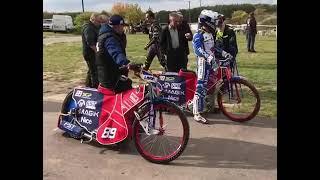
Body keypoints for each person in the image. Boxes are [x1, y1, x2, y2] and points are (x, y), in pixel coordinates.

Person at [192, 10, 233, 123]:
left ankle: (204, 107)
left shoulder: (210, 34)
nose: (215, 24)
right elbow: (198, 50)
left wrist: (224, 53)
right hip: (203, 64)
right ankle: (196, 113)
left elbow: (213, 48)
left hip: (211, 64)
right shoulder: (198, 35)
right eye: (214, 22)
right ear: (207, 22)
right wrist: (209, 58)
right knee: (200, 87)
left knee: (208, 87)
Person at [95, 15, 132, 93]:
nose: (123, 28)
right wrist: (127, 63)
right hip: (109, 75)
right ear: (117, 26)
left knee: (126, 82)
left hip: (109, 71)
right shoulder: (109, 38)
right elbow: (116, 53)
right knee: (126, 87)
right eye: (122, 26)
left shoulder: (109, 34)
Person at [81, 13, 101, 88]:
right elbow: (90, 42)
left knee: (91, 70)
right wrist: (97, 52)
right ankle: (95, 87)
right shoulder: (88, 28)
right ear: (92, 20)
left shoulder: (94, 26)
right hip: (90, 53)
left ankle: (87, 86)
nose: (99, 23)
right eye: (98, 21)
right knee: (94, 71)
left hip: (92, 52)